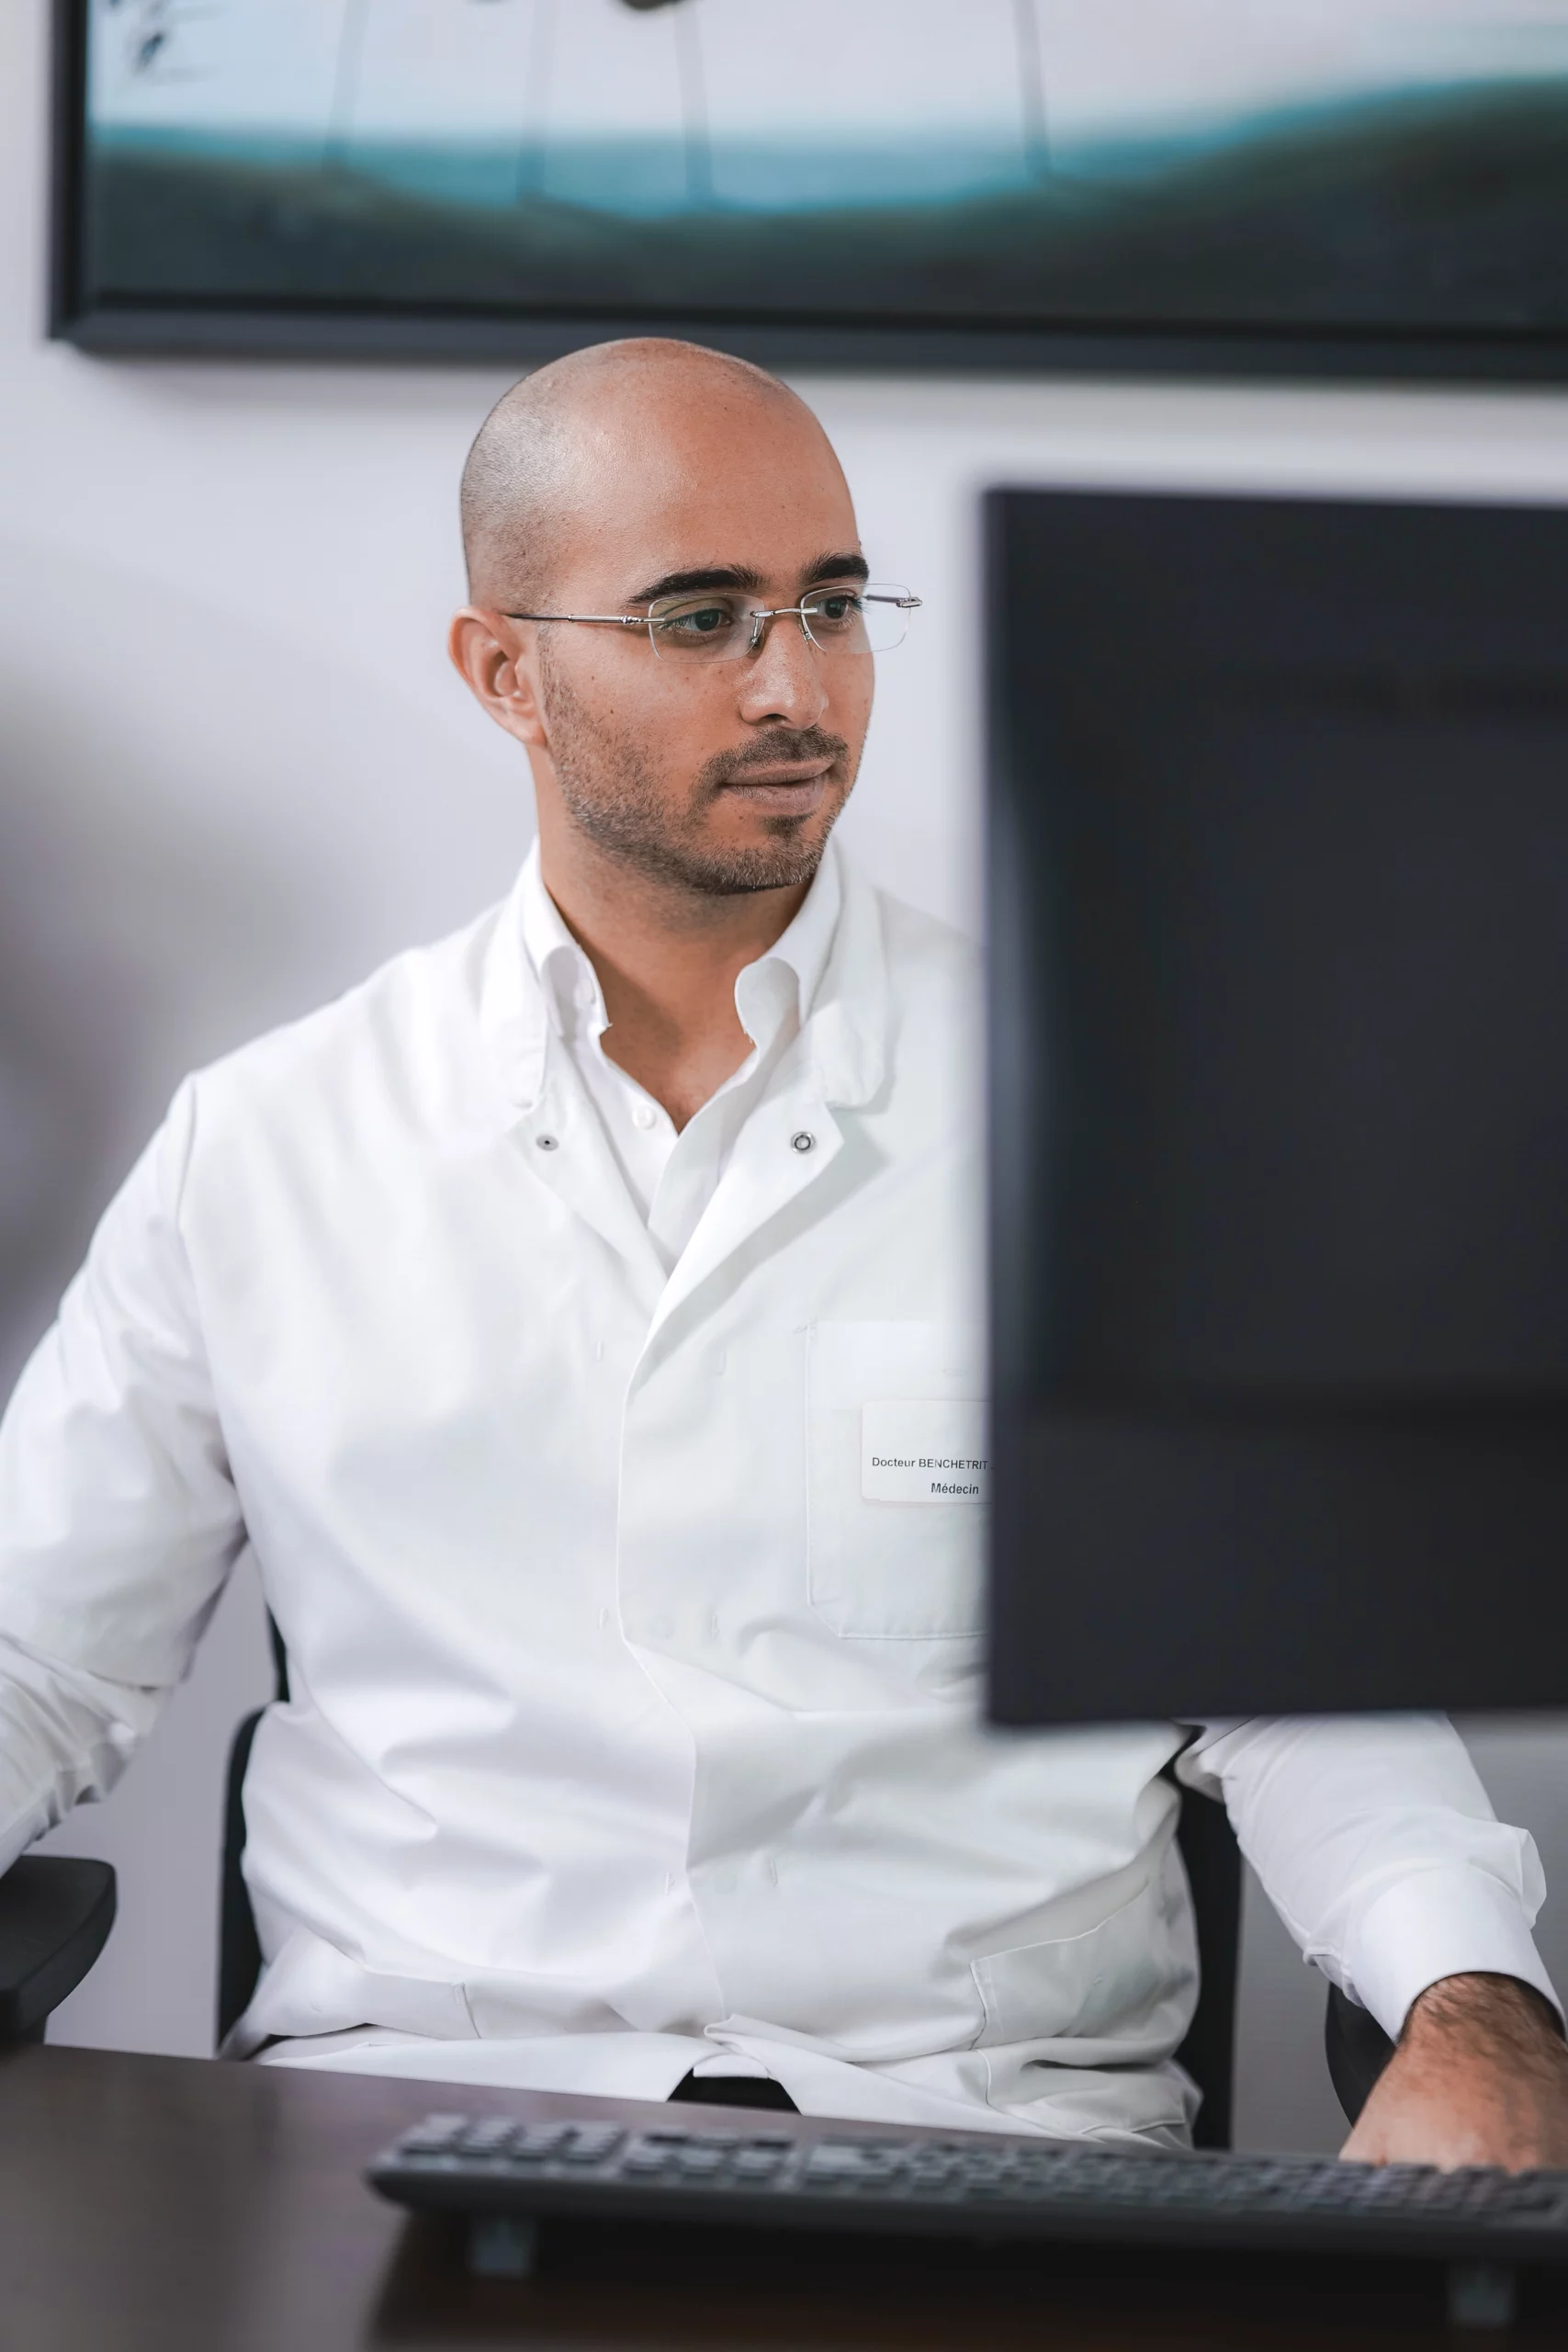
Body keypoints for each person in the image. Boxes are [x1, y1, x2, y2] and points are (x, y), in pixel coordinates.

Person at [0, 339, 1564, 2163]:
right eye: (701, 617)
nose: (797, 684)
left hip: (987, 2143)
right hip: (400, 2130)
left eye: (832, 605)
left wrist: (1478, 2007)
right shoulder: (271, 1145)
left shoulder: (1120, 1106)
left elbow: (1307, 1687)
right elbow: (38, 1654)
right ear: (503, 668)